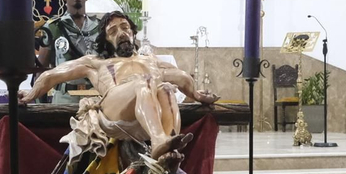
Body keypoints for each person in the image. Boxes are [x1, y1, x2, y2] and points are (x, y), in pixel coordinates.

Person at [20, 12, 217, 160]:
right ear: (106, 39)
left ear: (132, 32)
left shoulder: (150, 60)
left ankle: (169, 150)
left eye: (124, 28)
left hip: (148, 105)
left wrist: (198, 95)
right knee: (142, 81)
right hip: (116, 108)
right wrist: (30, 95)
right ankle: (158, 140)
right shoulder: (97, 62)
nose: (121, 33)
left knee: (166, 88)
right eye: (113, 31)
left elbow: (182, 78)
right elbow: (52, 75)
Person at [35, 0, 103, 104]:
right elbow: (41, 69)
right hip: (64, 96)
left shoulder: (99, 28)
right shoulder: (54, 27)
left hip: (94, 96)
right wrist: (40, 104)